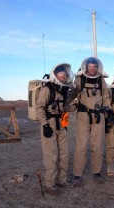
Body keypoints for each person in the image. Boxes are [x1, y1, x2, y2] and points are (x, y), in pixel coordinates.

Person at [66, 57, 112, 187]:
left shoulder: (101, 80)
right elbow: (72, 93)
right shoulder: (79, 79)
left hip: (98, 116)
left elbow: (106, 97)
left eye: (94, 66)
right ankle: (77, 174)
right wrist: (62, 103)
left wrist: (109, 112)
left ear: (98, 68)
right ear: (86, 67)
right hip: (83, 116)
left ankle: (97, 172)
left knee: (97, 146)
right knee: (81, 146)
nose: (92, 68)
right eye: (90, 66)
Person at [35, 63, 74, 195]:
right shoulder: (47, 89)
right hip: (49, 124)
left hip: (61, 125)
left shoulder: (63, 91)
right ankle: (49, 184)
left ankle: (62, 180)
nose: (63, 77)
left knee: (64, 154)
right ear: (55, 75)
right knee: (51, 155)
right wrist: (45, 125)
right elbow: (39, 107)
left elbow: (64, 108)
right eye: (60, 74)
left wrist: (75, 106)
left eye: (64, 75)